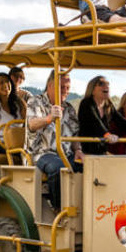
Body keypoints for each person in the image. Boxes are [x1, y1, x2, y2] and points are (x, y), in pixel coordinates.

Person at [26, 70, 83, 210]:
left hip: (65, 153)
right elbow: (31, 124)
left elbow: (74, 134)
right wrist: (48, 118)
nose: (65, 91)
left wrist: (78, 150)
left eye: (67, 88)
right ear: (50, 86)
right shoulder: (36, 101)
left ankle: (83, 209)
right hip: (42, 153)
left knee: (87, 166)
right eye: (62, 87)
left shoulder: (68, 108)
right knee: (59, 168)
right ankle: (59, 210)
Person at [77, 75, 126, 155]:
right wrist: (107, 134)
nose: (106, 86)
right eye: (101, 84)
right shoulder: (86, 103)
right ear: (92, 90)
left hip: (101, 151)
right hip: (86, 151)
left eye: (107, 84)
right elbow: (95, 122)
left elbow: (122, 122)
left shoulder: (108, 106)